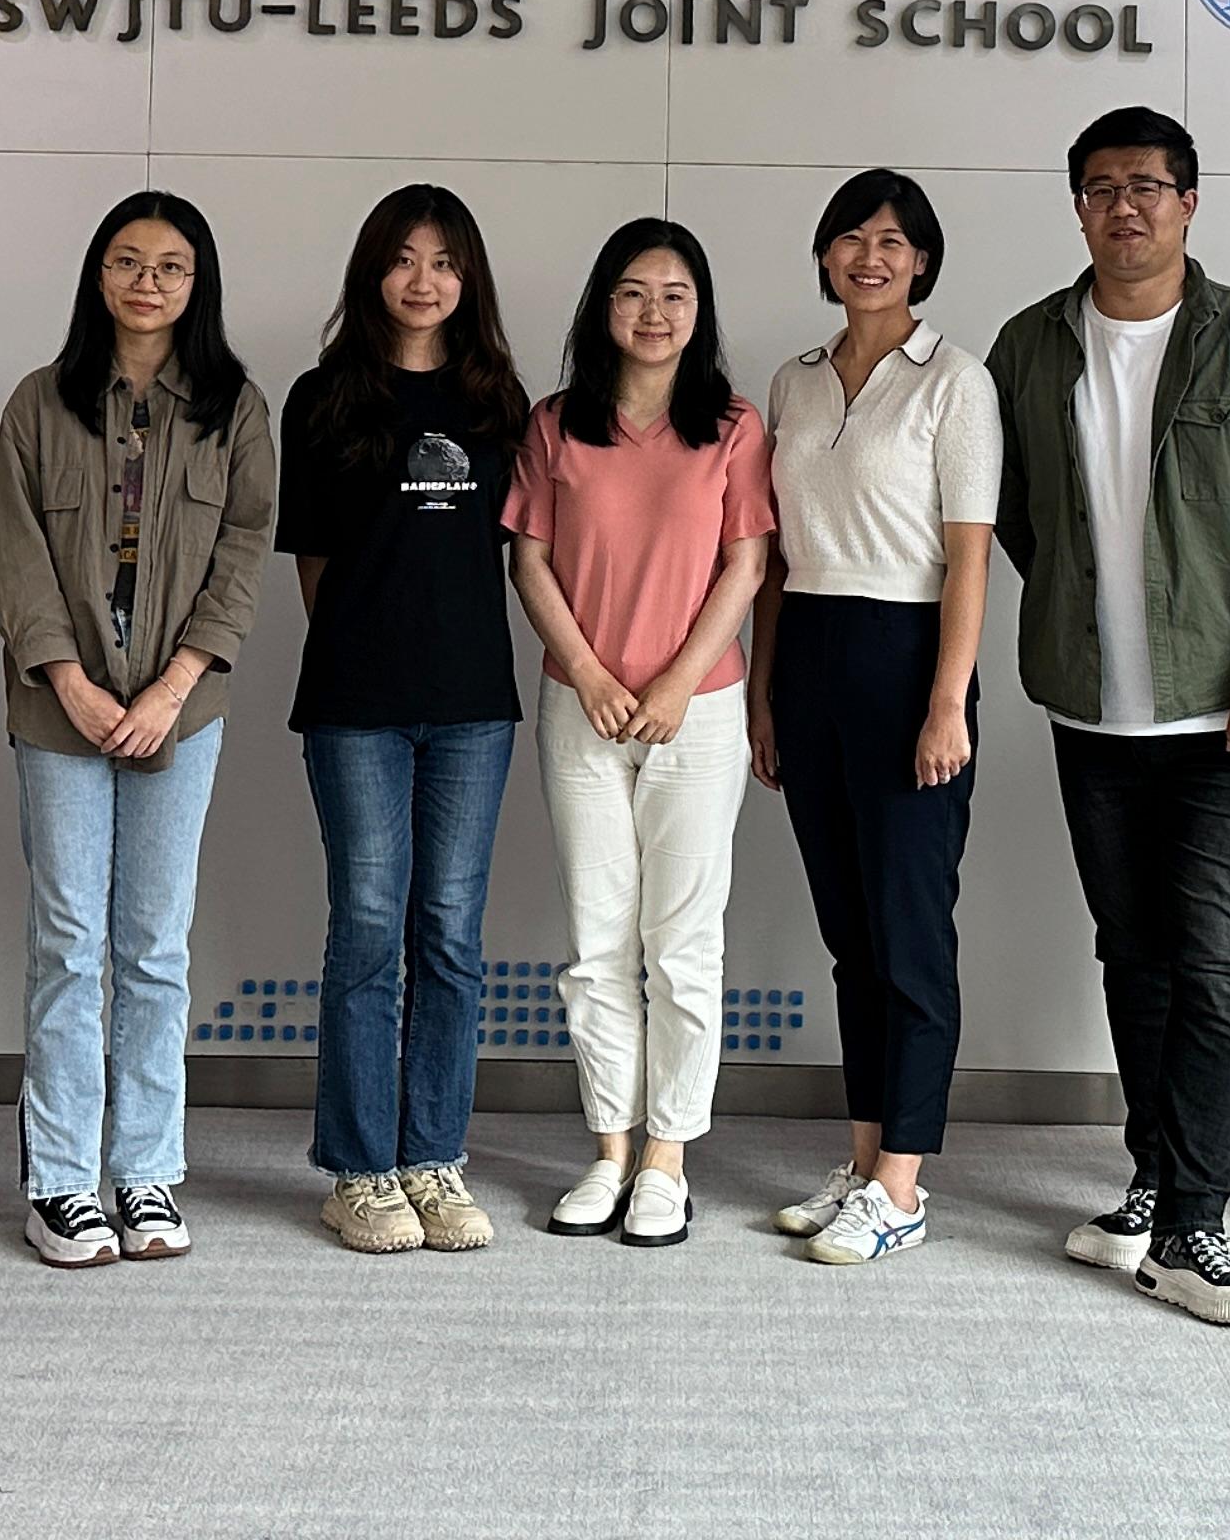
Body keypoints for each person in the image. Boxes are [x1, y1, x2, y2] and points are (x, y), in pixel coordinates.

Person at [989, 105, 1230, 1329]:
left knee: (1220, 961)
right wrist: (1077, 620)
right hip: (1093, 711)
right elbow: (1017, 516)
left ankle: (1196, 1220)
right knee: (1132, 953)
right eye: (1100, 188)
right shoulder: (1029, 345)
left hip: (1227, 712)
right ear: (1077, 206)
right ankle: (1149, 1181)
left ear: (1189, 201)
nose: (1123, 206)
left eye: (1146, 186)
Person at [0, 192, 274, 1269]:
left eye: (170, 267)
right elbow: (16, 555)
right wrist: (70, 683)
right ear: (97, 275)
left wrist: (172, 690)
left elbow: (244, 553)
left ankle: (146, 1171)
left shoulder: (235, 407)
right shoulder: (38, 401)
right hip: (58, 709)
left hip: (180, 713)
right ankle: (62, 1183)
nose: (147, 283)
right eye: (126, 261)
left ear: (198, 285)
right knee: (68, 944)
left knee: (155, 948)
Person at [510, 219, 773, 1250]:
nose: (653, 312)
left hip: (696, 714)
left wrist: (672, 683)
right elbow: (529, 560)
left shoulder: (733, 427)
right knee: (597, 943)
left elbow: (746, 565)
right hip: (581, 708)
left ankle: (668, 1158)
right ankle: (610, 1149)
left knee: (683, 943)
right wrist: (587, 672)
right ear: (602, 307)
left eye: (675, 294)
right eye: (632, 292)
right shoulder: (555, 423)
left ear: (699, 311)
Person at [753, 168, 997, 1267]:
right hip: (809, 649)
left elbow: (969, 557)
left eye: (893, 241)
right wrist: (763, 692)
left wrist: (947, 702)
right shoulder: (794, 381)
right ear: (824, 255)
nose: (870, 257)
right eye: (851, 238)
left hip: (909, 658)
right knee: (850, 935)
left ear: (923, 261)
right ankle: (860, 1165)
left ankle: (902, 1184)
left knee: (909, 934)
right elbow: (772, 559)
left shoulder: (956, 381)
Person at [282, 185, 531, 1255]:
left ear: (468, 279)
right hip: (358, 707)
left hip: (473, 705)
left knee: (451, 935)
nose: (422, 281)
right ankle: (358, 1169)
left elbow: (521, 556)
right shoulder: (323, 397)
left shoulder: (499, 402)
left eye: (444, 262)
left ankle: (433, 1156)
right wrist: (365, 651)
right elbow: (314, 562)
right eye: (403, 259)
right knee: (369, 928)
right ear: (371, 271)